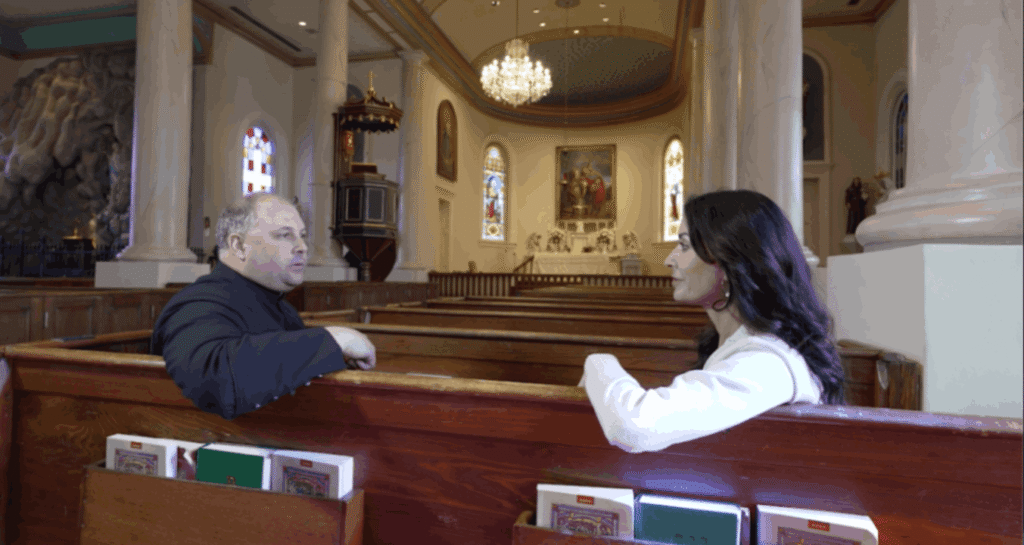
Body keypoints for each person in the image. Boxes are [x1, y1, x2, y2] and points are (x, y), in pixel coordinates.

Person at [578, 190, 845, 453]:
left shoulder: (769, 362)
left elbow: (635, 425)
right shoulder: (744, 345)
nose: (670, 259)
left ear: (729, 262)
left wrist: (598, 361)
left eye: (683, 246)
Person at [152, 192, 376, 420]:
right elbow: (215, 378)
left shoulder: (281, 307)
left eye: (302, 236)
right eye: (285, 235)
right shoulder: (196, 304)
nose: (302, 247)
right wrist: (333, 340)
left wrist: (332, 359)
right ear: (238, 245)